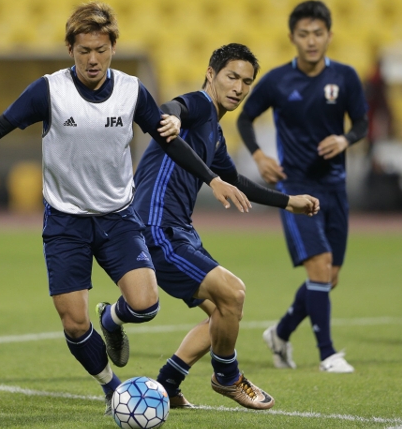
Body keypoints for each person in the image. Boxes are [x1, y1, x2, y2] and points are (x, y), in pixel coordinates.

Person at [0, 2, 250, 415]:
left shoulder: (132, 91)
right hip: (65, 223)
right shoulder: (48, 90)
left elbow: (169, 138)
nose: (92, 59)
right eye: (83, 51)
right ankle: (111, 388)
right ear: (70, 50)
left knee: (146, 305)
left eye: (100, 49)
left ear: (113, 47)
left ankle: (112, 318)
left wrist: (213, 178)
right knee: (75, 324)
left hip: (118, 217)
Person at [128, 43, 319, 410]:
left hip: (180, 231)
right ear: (212, 74)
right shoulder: (199, 105)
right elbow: (174, 107)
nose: (239, 87)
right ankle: (227, 377)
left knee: (223, 313)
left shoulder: (214, 133)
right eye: (232, 77)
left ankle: (167, 382)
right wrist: (172, 118)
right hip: (157, 228)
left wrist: (288, 201)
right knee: (234, 293)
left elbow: (235, 180)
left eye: (247, 82)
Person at [237, 0, 369, 373]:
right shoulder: (278, 80)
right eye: (303, 34)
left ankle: (279, 333)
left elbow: (361, 122)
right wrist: (260, 156)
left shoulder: (345, 77)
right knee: (320, 266)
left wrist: (345, 140)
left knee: (330, 277)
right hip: (295, 189)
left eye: (318, 33)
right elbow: (246, 118)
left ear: (329, 35)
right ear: (292, 37)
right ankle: (327, 354)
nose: (311, 41)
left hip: (336, 188)